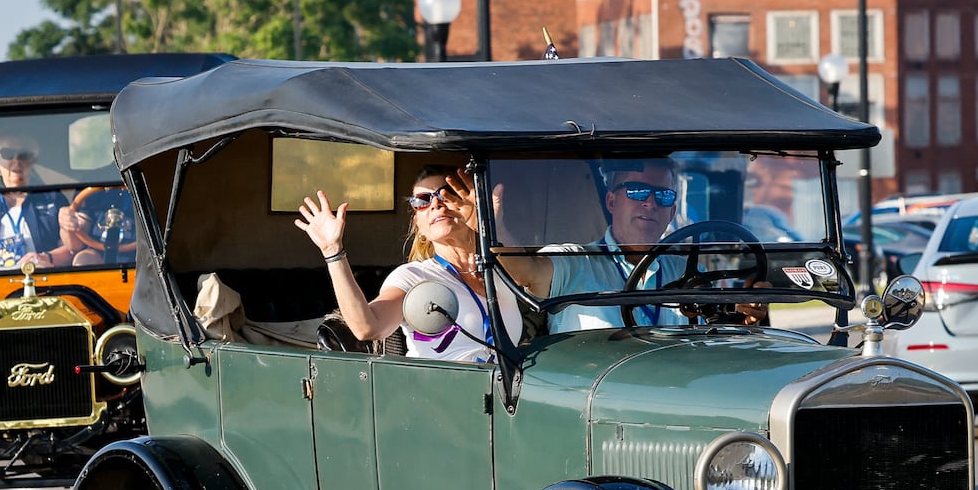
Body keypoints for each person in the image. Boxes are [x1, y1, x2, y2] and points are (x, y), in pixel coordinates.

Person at [454, 159, 766, 332]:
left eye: (664, 196)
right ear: (612, 200)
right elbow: (525, 272)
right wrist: (492, 225)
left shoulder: (684, 268)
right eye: (638, 191)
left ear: (672, 212)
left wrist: (743, 309)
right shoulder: (575, 261)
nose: (651, 203)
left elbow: (714, 317)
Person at [292, 165, 524, 363]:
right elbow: (368, 327)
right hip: (440, 402)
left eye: (446, 194)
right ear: (419, 226)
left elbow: (535, 279)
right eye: (422, 201)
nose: (435, 204)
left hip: (505, 399)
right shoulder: (414, 277)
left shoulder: (501, 268)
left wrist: (493, 226)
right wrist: (333, 251)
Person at [0, 132, 83, 271]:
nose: (17, 161)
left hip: (42, 280)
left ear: (33, 162)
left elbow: (71, 249)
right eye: (7, 153)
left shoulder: (52, 198)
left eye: (25, 155)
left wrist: (45, 257)